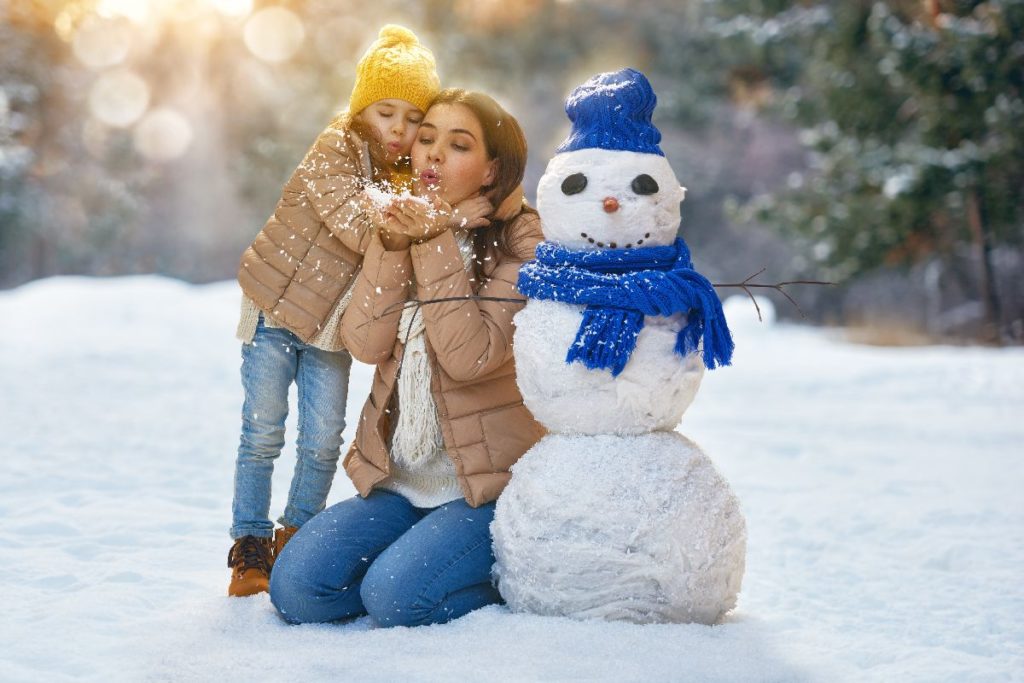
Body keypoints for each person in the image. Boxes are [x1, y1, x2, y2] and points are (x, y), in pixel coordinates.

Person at [268, 89, 546, 627]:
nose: (433, 155)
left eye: (458, 145)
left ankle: (499, 582)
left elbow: (470, 357)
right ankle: (416, 561)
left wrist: (433, 238)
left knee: (396, 598)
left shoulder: (522, 242)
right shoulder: (404, 225)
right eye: (426, 139)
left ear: (491, 171)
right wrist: (393, 246)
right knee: (297, 589)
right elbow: (366, 343)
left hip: (484, 489)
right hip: (401, 482)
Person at [227, 25, 460, 598]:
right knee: (263, 431)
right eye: (386, 113)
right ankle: (250, 541)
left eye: (413, 119)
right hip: (277, 310)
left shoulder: (404, 177)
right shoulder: (334, 149)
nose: (399, 130)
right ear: (362, 110)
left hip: (329, 327)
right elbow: (357, 224)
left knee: (324, 439)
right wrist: (423, 223)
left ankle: (296, 535)